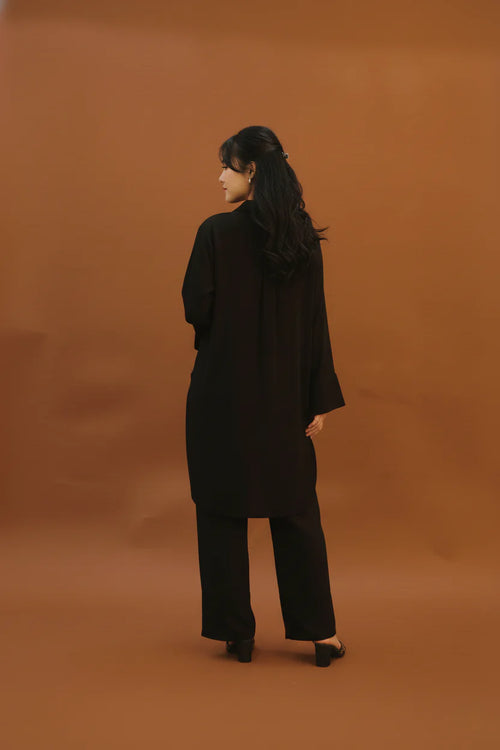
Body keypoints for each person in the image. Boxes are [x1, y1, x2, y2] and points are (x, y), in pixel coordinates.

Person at [181, 126, 347, 668]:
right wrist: (317, 399)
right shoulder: (302, 240)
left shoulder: (214, 232)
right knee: (295, 509)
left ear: (251, 171)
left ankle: (237, 634)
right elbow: (316, 324)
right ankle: (322, 634)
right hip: (285, 399)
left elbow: (196, 307)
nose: (220, 177)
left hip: (220, 397)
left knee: (220, 510)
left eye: (227, 167)